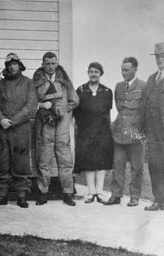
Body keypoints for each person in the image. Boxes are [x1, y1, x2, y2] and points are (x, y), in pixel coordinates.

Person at [0, 53, 38, 208]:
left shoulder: (28, 83)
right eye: (9, 64)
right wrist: (1, 119)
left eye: (14, 63)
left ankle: (22, 196)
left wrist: (13, 121)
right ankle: (1, 195)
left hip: (20, 129)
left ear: (20, 65)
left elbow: (30, 106)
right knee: (1, 161)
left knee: (21, 161)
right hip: (1, 128)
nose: (11, 66)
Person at [33, 51, 79, 206]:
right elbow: (31, 101)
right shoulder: (36, 81)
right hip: (45, 122)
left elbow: (75, 100)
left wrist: (65, 110)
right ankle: (42, 192)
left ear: (57, 63)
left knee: (64, 157)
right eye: (47, 63)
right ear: (42, 64)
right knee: (44, 158)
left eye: (53, 63)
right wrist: (40, 106)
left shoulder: (64, 80)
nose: (50, 66)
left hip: (62, 123)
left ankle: (67, 193)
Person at [105, 57, 146, 207]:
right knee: (118, 166)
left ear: (135, 69)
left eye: (127, 70)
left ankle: (134, 196)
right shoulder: (119, 86)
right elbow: (120, 108)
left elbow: (145, 111)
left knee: (137, 168)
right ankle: (116, 195)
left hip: (136, 134)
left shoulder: (144, 86)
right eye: (122, 70)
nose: (123, 73)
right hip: (120, 133)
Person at [73, 62, 114, 203]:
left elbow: (107, 111)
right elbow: (76, 111)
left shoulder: (107, 91)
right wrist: (82, 126)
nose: (93, 74)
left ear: (100, 73)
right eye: (91, 71)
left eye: (96, 71)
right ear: (88, 73)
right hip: (86, 131)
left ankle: (99, 192)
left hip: (102, 130)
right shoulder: (81, 90)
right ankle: (90, 192)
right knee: (88, 160)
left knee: (101, 161)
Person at [141, 42, 164, 211]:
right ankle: (159, 200)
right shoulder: (151, 79)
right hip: (153, 131)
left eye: (163, 56)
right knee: (155, 165)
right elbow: (144, 104)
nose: (160, 59)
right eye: (157, 56)